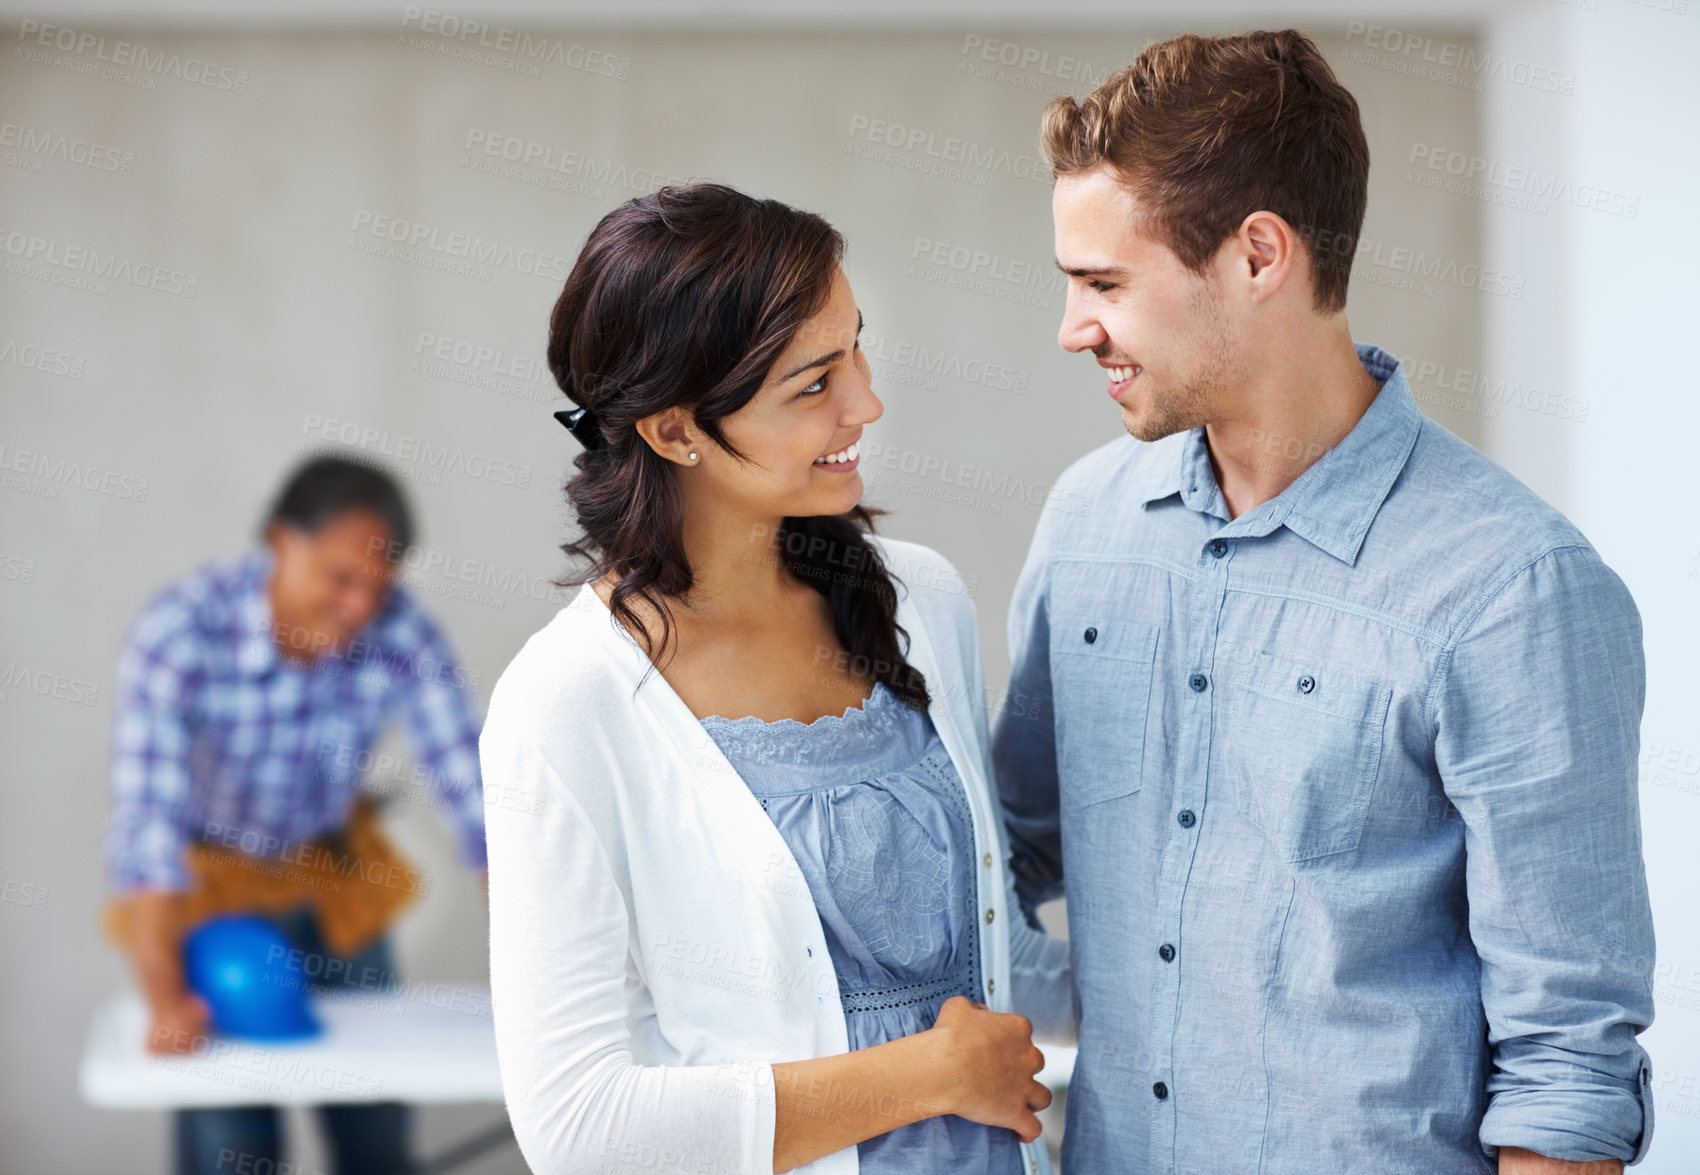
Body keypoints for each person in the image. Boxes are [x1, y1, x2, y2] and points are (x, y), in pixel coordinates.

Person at [990, 27, 1656, 1175]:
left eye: (1103, 283)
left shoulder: (1512, 586)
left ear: (1258, 255)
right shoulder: (1086, 524)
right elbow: (1006, 859)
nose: (1072, 328)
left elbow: (1566, 1064)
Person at [479, 182, 1074, 1175]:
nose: (865, 401)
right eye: (811, 383)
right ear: (674, 431)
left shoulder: (920, 601)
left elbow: (996, 951)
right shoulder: (567, 703)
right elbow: (577, 1126)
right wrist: (927, 1076)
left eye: (856, 348)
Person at [101, 454, 491, 1175]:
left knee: (375, 1107)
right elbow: (148, 827)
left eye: (379, 588)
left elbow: (478, 798)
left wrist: (550, 971)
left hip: (333, 871)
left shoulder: (402, 629)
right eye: (342, 579)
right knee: (231, 1131)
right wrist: (166, 1000)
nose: (360, 609)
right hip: (213, 890)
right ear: (282, 542)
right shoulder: (180, 631)